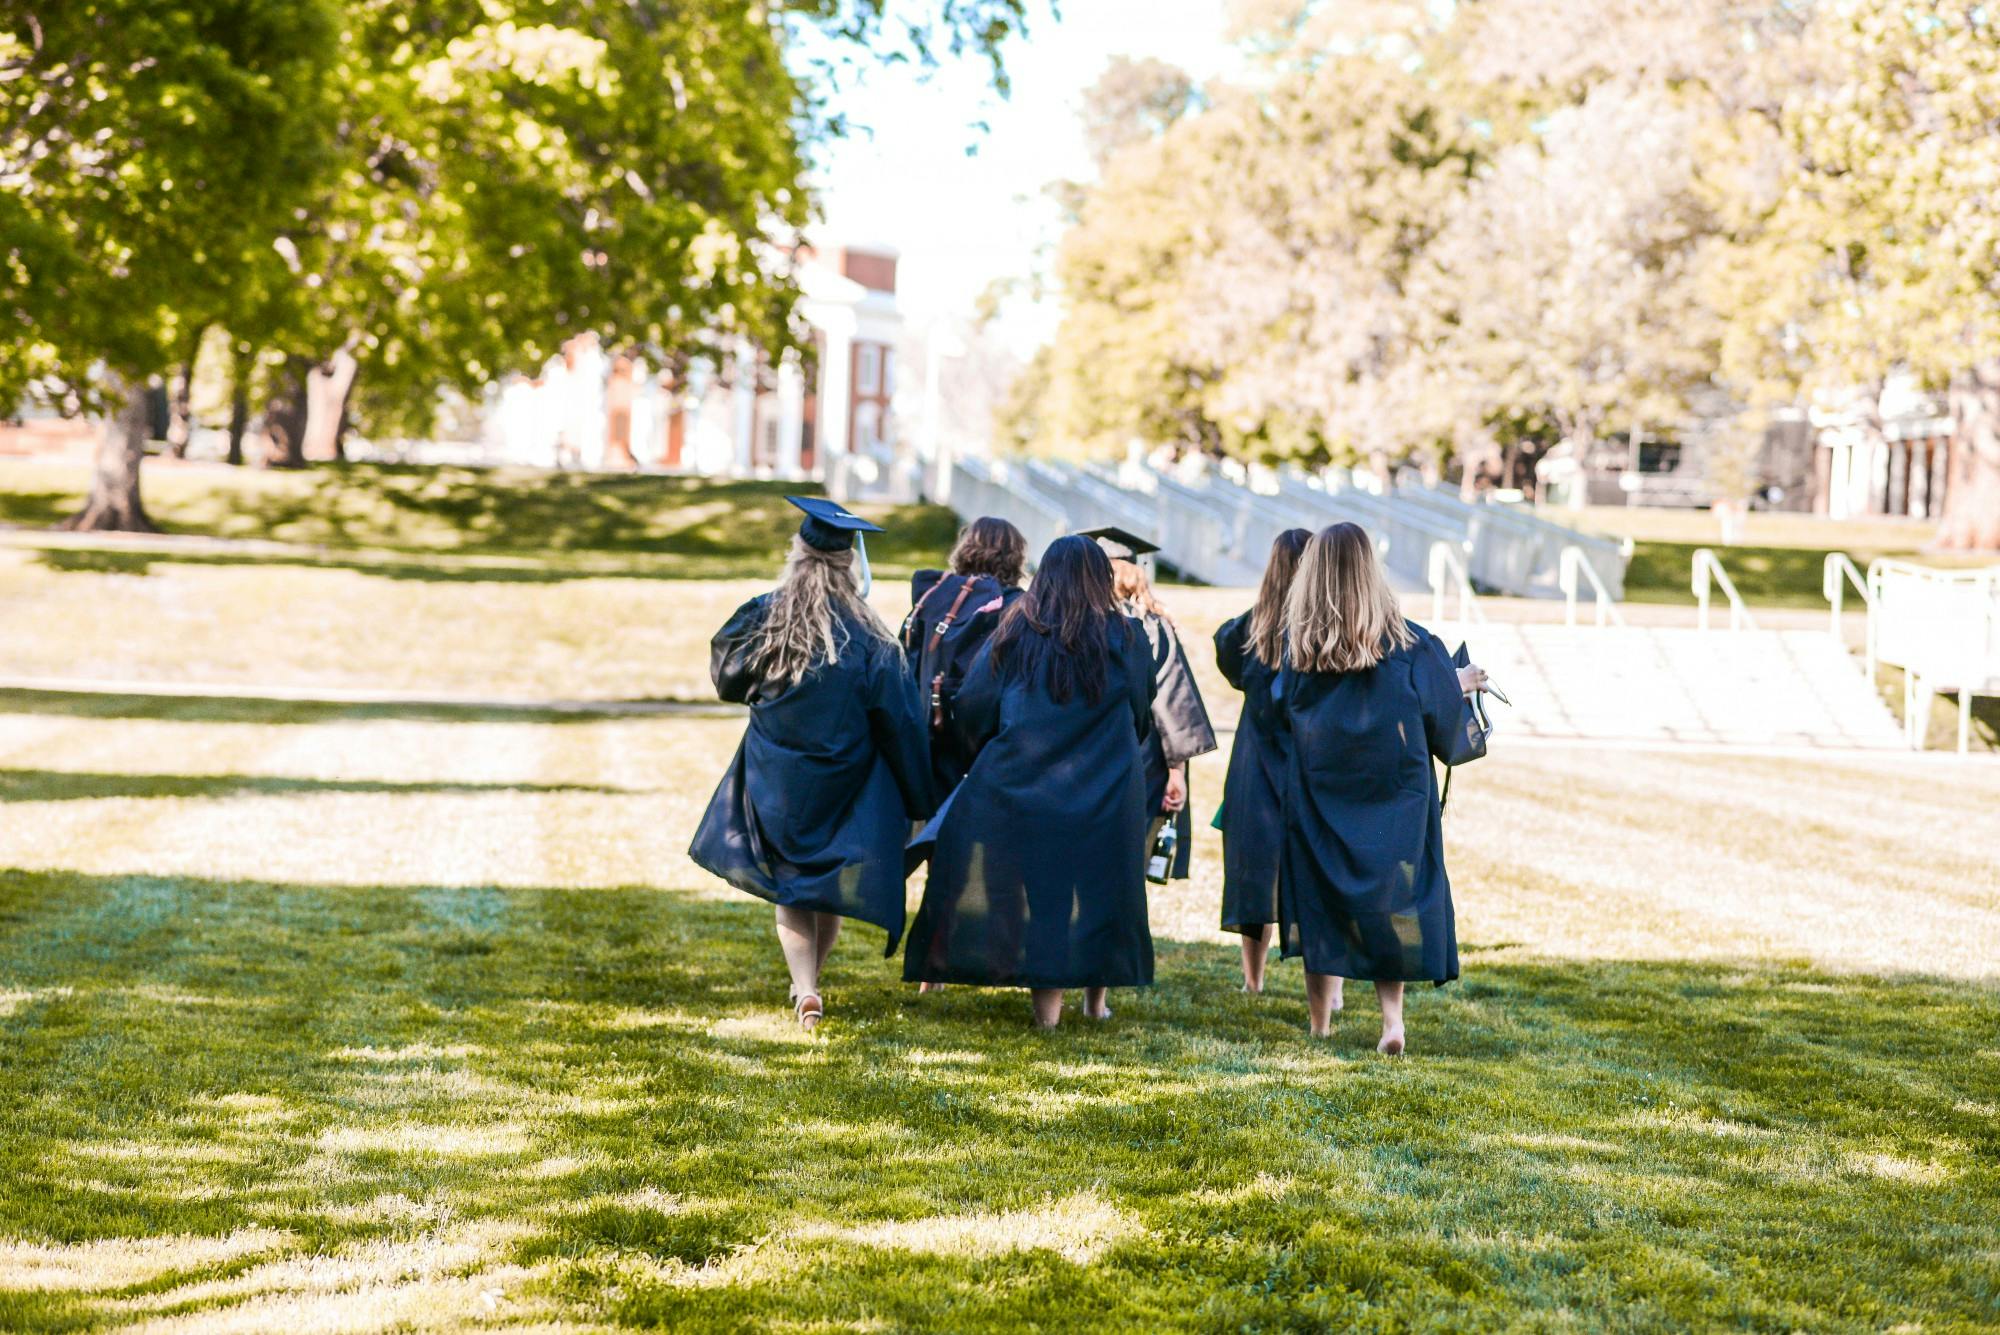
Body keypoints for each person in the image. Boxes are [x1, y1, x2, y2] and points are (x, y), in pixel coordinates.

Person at [688, 496, 932, 1030]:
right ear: (851, 564)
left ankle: (806, 988)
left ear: (797, 552)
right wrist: (920, 797)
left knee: (791, 886)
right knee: (824, 888)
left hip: (777, 775)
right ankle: (809, 985)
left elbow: (728, 679)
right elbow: (899, 720)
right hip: (846, 778)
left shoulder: (766, 615)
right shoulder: (870, 635)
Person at [902, 535, 1156, 1028]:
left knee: (1045, 894)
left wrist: (989, 750)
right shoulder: (1126, 636)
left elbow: (974, 706)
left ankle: (1048, 1015)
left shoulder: (1015, 631)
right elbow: (1140, 711)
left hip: (1028, 780)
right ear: (1100, 579)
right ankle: (1095, 1002)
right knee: (1103, 886)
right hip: (1106, 782)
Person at [1275, 522, 1486, 1054]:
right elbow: (1441, 726)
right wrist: (1457, 686)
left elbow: (1285, 715)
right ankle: (1391, 1019)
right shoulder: (1413, 643)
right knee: (1393, 898)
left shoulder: (1299, 644)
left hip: (1322, 790)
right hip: (1396, 793)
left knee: (1321, 898)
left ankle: (1320, 1022)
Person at [1082, 528, 1217, 884]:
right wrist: (1177, 771)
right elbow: (1173, 697)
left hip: (1085, 749)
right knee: (1128, 851)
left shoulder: (1078, 620)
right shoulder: (1152, 624)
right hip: (1140, 752)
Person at [1213, 527, 1312, 993]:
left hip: (1255, 762)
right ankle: (1326, 990)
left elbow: (1229, 665)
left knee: (1254, 872)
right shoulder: (1325, 631)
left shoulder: (1247, 631)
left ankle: (1254, 979)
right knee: (1316, 870)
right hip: (1307, 760)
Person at [902, 516, 1030, 794]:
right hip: (987, 755)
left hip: (929, 744)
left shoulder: (934, 596)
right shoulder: (1021, 609)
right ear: (1016, 556)